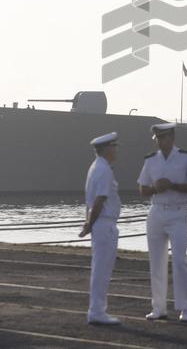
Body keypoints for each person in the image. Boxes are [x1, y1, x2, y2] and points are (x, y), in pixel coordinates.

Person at [138, 122, 187, 323]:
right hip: (156, 212)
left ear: (171, 138)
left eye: (162, 137)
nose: (159, 141)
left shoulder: (186, 157)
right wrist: (155, 189)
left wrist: (173, 185)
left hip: (177, 213)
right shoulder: (151, 160)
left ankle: (185, 308)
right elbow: (142, 189)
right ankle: (158, 308)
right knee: (156, 262)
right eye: (157, 138)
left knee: (179, 261)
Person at [79, 132, 122, 326]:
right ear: (106, 149)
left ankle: (97, 310)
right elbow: (99, 200)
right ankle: (97, 311)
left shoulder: (94, 168)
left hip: (100, 223)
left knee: (100, 268)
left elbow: (90, 201)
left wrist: (88, 222)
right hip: (104, 223)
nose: (116, 150)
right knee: (102, 270)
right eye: (114, 146)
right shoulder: (104, 170)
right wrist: (89, 224)